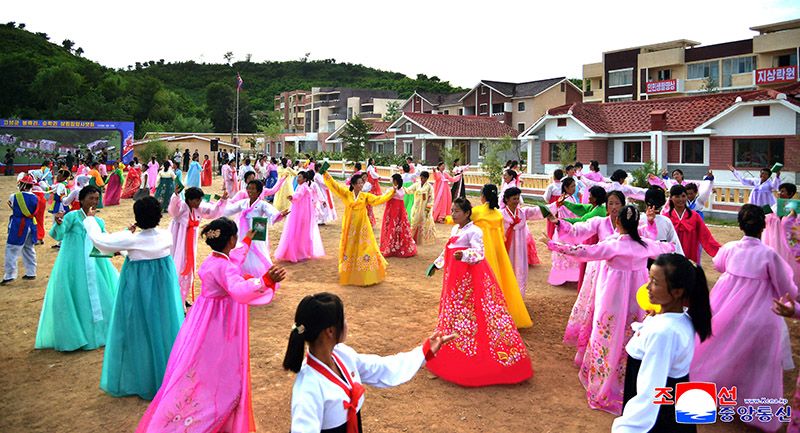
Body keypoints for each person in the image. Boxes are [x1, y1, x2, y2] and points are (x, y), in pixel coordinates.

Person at [136, 218, 286, 433]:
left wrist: (246, 241)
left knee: (200, 361)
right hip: (220, 321)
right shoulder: (224, 267)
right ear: (231, 240)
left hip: (204, 317)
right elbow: (239, 290)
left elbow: (234, 259)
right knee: (220, 364)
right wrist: (266, 281)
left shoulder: (213, 260)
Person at [545, 205, 675, 414]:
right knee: (633, 334)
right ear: (636, 224)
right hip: (637, 297)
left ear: (618, 222)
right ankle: (631, 381)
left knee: (608, 335)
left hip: (613, 297)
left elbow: (584, 251)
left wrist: (553, 245)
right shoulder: (645, 245)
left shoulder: (613, 245)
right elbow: (667, 246)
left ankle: (605, 383)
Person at [690, 205, 796, 433]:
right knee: (758, 363)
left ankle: (712, 394)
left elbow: (718, 264)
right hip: (759, 314)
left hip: (725, 309)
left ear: (739, 225)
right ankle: (753, 407)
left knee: (721, 350)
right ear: (763, 227)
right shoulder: (769, 254)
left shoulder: (730, 248)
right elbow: (786, 288)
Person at [286, 293, 453, 432]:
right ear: (330, 331)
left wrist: (424, 351)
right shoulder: (308, 387)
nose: (346, 324)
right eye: (343, 319)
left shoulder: (342, 355)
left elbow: (381, 368)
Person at [83, 197, 184, 400]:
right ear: (159, 216)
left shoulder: (132, 239)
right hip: (163, 290)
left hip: (139, 289)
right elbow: (144, 246)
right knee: (164, 326)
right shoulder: (166, 235)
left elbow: (102, 241)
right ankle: (168, 372)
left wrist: (90, 219)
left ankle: (145, 375)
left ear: (137, 217)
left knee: (139, 327)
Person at [425, 198, 533, 386]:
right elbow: (447, 250)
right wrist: (437, 264)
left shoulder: (475, 231)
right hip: (453, 280)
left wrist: (464, 254)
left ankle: (471, 357)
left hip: (469, 281)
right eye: (452, 210)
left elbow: (479, 253)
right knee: (453, 313)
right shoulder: (455, 229)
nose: (453, 214)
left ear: (467, 213)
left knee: (470, 315)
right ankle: (448, 351)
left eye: (457, 211)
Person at [612, 254, 712, 433]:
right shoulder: (681, 318)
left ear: (677, 292)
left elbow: (650, 391)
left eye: (655, 282)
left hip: (658, 416)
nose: (647, 287)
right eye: (649, 279)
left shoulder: (663, 333)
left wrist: (627, 428)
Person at [35, 185, 119, 351]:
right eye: (90, 198)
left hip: (95, 264)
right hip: (74, 264)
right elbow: (58, 234)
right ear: (81, 200)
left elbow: (104, 241)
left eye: (96, 199)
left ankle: (101, 333)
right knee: (77, 294)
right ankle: (76, 336)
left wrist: (123, 236)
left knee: (100, 295)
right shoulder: (72, 217)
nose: (94, 202)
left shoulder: (98, 221)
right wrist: (58, 223)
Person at [469, 184, 532, 329]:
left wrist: (447, 219)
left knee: (481, 279)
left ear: (483, 196)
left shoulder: (477, 212)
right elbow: (502, 236)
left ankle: (481, 311)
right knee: (498, 280)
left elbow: (462, 220)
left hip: (482, 249)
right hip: (498, 251)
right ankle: (497, 310)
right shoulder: (498, 214)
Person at [323, 171, 395, 286]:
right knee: (351, 248)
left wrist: (391, 193)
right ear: (353, 184)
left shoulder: (365, 196)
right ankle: (351, 272)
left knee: (365, 248)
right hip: (350, 228)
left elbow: (378, 199)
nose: (361, 185)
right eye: (359, 183)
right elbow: (335, 186)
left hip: (362, 227)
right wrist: (326, 174)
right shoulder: (347, 194)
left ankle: (367, 274)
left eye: (362, 183)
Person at [169, 187, 229, 303]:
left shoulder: (199, 208)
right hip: (179, 244)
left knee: (188, 270)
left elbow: (212, 211)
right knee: (178, 267)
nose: (199, 203)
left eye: (200, 200)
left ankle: (182, 297)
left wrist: (222, 200)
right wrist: (175, 196)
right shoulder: (181, 208)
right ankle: (176, 299)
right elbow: (173, 210)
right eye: (197, 200)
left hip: (190, 245)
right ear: (189, 200)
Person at [224, 179, 288, 279]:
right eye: (249, 188)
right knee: (243, 249)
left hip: (256, 231)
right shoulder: (243, 203)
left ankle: (260, 274)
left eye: (253, 189)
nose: (250, 191)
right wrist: (219, 204)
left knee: (258, 250)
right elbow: (229, 209)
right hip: (243, 232)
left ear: (258, 191)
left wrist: (279, 215)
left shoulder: (262, 204)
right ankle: (243, 272)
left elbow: (271, 212)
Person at [275, 171, 326, 263]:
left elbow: (298, 195)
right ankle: (301, 251)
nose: (297, 179)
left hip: (303, 213)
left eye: (300, 177)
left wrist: (292, 197)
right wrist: (293, 197)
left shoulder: (304, 187)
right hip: (302, 212)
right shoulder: (303, 186)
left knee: (300, 231)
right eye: (297, 177)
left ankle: (300, 252)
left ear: (305, 179)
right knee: (302, 231)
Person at [502, 187, 544, 296]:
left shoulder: (522, 212)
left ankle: (518, 295)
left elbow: (537, 210)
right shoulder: (500, 215)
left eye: (518, 198)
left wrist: (556, 205)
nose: (516, 201)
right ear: (506, 199)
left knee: (520, 268)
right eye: (514, 199)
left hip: (520, 248)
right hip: (507, 247)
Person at [665, 185, 720, 263]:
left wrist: (721, 251)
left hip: (690, 255)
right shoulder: (666, 217)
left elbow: (706, 236)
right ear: (671, 198)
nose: (680, 199)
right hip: (671, 257)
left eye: (683, 196)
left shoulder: (695, 216)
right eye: (677, 196)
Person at [2, 174, 40, 285]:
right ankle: (31, 272)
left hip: (18, 225)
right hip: (31, 224)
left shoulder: (14, 196)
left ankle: (10, 275)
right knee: (29, 249)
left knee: (12, 249)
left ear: (22, 184)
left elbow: (12, 207)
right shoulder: (36, 197)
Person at [547, 177, 581, 286]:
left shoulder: (571, 197)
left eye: (575, 186)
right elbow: (571, 214)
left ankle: (569, 276)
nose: (574, 188)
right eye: (572, 186)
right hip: (565, 227)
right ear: (566, 188)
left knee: (568, 252)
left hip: (569, 227)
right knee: (564, 252)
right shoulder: (565, 199)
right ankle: (562, 277)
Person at [380, 174, 417, 258]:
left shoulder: (392, 190)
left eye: (392, 180)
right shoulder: (402, 189)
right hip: (401, 210)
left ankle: (391, 247)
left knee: (392, 227)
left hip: (392, 211)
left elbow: (384, 198)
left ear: (395, 181)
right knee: (401, 227)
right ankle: (399, 246)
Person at [405, 171, 435, 246]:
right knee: (414, 222)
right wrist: (402, 188)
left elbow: (431, 199)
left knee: (423, 223)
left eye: (423, 178)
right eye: (421, 178)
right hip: (416, 207)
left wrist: (427, 210)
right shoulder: (417, 184)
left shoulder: (429, 187)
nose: (421, 179)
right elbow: (409, 190)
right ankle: (411, 238)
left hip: (424, 208)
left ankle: (421, 240)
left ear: (426, 178)